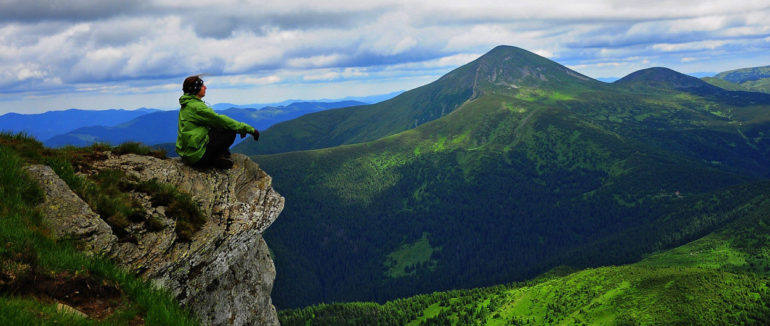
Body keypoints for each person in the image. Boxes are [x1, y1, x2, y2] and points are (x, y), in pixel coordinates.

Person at [176, 75, 259, 169]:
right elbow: (220, 120)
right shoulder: (196, 107)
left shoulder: (187, 105)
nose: (205, 87)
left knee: (218, 127)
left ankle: (220, 156)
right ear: (196, 89)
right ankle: (216, 159)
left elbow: (214, 123)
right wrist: (247, 129)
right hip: (197, 156)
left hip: (188, 154)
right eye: (202, 85)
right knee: (230, 130)